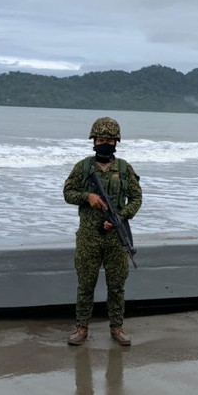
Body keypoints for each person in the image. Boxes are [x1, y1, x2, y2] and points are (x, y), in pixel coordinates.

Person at [62, 117, 142, 346]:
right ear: (94, 141)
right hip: (89, 236)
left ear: (116, 142)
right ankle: (81, 328)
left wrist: (120, 217)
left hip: (116, 237)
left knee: (116, 285)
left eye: (109, 140)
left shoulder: (125, 169)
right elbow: (67, 193)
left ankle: (117, 327)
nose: (104, 143)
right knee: (86, 283)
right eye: (100, 139)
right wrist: (88, 197)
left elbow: (137, 199)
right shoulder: (84, 167)